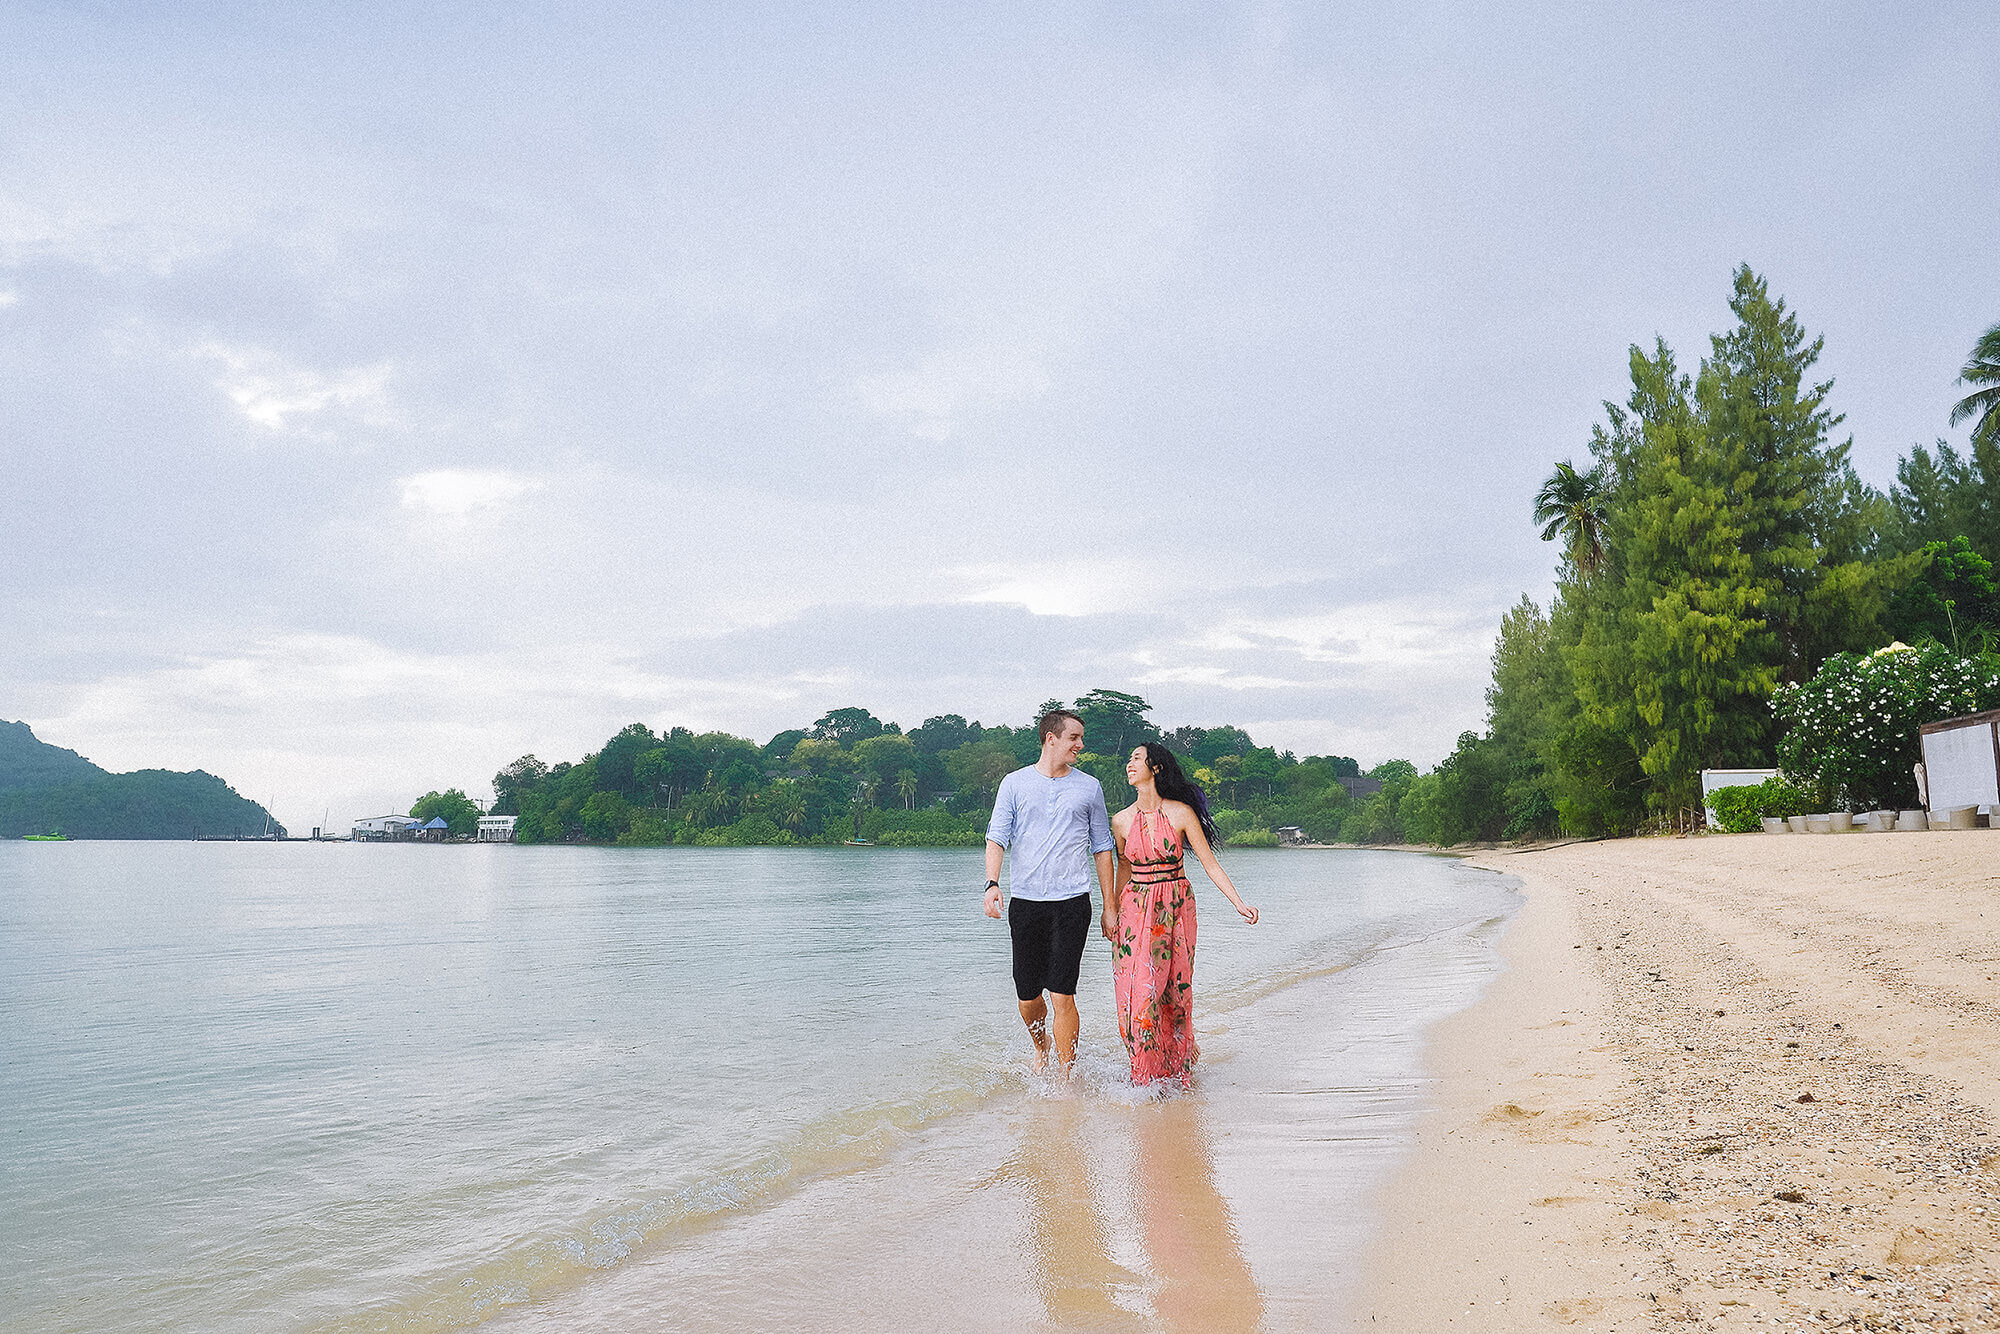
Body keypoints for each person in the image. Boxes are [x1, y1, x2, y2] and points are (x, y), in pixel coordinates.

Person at [1103, 742, 1257, 1087]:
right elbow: (1123, 869)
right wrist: (1110, 911)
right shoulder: (1121, 821)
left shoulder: (1181, 813)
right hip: (1135, 909)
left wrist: (1238, 902)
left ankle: (1176, 1071)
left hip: (1175, 907)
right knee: (1137, 995)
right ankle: (1145, 1079)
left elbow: (1209, 863)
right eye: (1129, 759)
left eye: (1137, 759)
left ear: (1155, 768)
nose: (1129, 765)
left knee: (1174, 991)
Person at [984, 708, 1116, 1077]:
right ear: (1051, 738)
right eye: (1074, 738)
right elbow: (996, 838)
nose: (1081, 745)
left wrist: (1110, 907)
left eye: (1081, 738)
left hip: (1073, 903)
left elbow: (1102, 848)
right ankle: (1041, 1051)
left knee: (1062, 992)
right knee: (1028, 997)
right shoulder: (1014, 783)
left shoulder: (1089, 787)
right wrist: (992, 883)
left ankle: (1065, 1076)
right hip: (1026, 903)